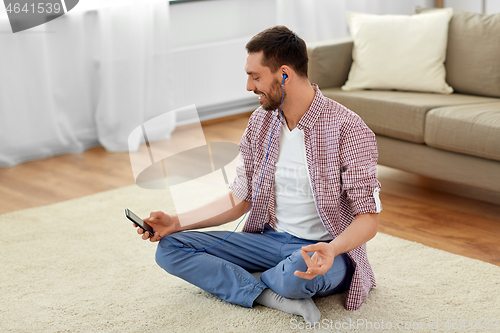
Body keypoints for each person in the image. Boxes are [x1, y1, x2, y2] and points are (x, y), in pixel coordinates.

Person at [135, 26, 382, 325]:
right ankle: (266, 292)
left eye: (255, 76)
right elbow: (240, 198)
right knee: (170, 249)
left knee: (295, 275)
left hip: (326, 249)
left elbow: (368, 219)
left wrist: (332, 249)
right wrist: (176, 222)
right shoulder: (260, 123)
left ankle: (252, 282)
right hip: (269, 241)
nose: (249, 86)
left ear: (285, 74)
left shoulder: (348, 128)